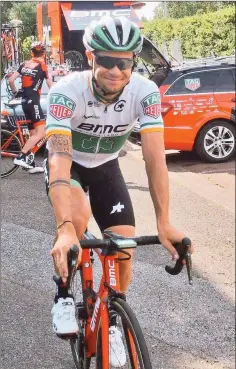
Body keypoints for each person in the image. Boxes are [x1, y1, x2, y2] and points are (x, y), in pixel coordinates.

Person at [45, 16, 194, 366]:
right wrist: (65, 228)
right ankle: (64, 294)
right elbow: (59, 158)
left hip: (107, 169)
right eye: (106, 60)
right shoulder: (65, 91)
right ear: (90, 57)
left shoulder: (145, 92)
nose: (115, 69)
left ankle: (112, 318)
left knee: (124, 245)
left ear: (133, 62)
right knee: (77, 218)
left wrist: (164, 221)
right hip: (72, 168)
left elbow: (156, 159)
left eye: (124, 61)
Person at [8, 41, 53, 173]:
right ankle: (22, 156)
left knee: (33, 134)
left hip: (24, 102)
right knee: (42, 133)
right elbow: (51, 86)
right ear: (43, 54)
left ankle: (31, 163)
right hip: (33, 102)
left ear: (31, 52)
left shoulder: (23, 65)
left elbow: (11, 80)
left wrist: (16, 92)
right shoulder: (42, 66)